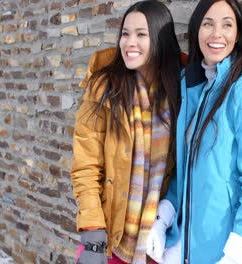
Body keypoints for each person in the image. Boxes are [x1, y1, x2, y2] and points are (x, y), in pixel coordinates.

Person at [147, 0, 242, 263]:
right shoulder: (191, 87)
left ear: (238, 34)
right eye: (208, 24)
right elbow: (187, 172)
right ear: (197, 30)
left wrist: (235, 255)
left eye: (226, 25)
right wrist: (163, 219)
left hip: (226, 251)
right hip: (188, 249)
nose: (216, 33)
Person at [70, 1, 183, 263]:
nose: (129, 42)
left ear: (159, 40)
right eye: (125, 33)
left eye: (141, 34)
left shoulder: (180, 91)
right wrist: (92, 234)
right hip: (109, 240)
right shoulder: (103, 88)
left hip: (159, 241)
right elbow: (85, 165)